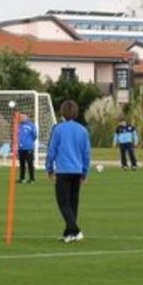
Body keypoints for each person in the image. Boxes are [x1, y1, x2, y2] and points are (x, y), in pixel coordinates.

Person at [45, 100, 91, 244]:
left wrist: (49, 168)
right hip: (77, 171)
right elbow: (86, 153)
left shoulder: (58, 129)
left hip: (63, 171)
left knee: (63, 203)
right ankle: (69, 233)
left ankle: (76, 230)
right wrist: (85, 172)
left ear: (62, 112)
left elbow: (52, 150)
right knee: (73, 203)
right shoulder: (83, 130)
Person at [16, 112, 38, 183]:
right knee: (21, 164)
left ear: (27, 117)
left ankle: (32, 179)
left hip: (28, 148)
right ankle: (22, 178)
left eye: (23, 117)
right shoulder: (18, 126)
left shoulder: (31, 125)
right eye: (20, 117)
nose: (21, 118)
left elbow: (35, 136)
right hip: (20, 148)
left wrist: (29, 142)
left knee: (30, 163)